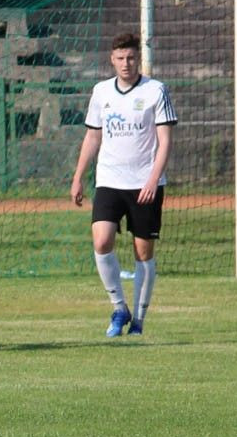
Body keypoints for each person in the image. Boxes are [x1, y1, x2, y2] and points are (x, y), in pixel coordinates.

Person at [70, 32, 176, 337]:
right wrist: (78, 177)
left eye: (130, 57)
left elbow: (165, 141)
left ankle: (139, 320)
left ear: (137, 59)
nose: (126, 63)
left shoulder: (156, 90)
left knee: (143, 251)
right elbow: (93, 136)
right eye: (120, 58)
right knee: (101, 240)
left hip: (145, 184)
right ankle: (119, 308)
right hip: (109, 181)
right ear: (112, 60)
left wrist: (153, 179)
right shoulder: (101, 91)